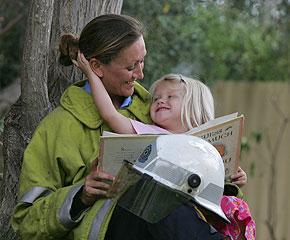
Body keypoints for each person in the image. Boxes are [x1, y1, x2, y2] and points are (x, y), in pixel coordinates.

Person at [12, 14, 226, 240]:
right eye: (131, 66)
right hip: (110, 231)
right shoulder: (58, 127)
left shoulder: (157, 111)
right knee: (151, 199)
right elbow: (26, 223)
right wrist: (81, 195)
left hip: (170, 227)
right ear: (96, 67)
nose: (141, 74)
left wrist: (227, 180)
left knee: (162, 202)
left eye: (142, 61)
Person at [73, 52, 256, 239]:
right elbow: (110, 114)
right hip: (156, 214)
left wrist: (234, 178)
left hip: (195, 215)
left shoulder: (205, 147)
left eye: (171, 96)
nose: (161, 100)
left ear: (193, 107)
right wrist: (92, 74)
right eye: (157, 98)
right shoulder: (149, 133)